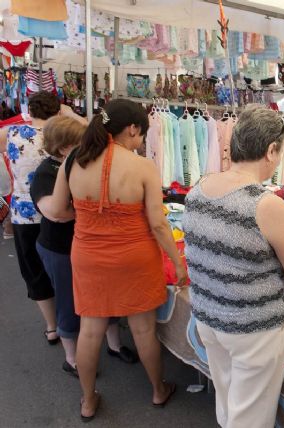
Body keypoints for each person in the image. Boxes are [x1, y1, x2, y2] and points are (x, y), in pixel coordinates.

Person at [48, 99, 187, 421]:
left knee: (90, 330)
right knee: (143, 331)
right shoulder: (143, 167)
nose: (141, 143)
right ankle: (158, 390)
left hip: (88, 256)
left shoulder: (73, 161)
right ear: (133, 129)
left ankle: (87, 400)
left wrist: (88, 218)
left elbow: (56, 211)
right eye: (142, 136)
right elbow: (157, 223)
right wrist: (177, 263)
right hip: (136, 257)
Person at [183, 104, 284, 428]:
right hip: (252, 329)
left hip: (210, 317)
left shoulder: (199, 189)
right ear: (271, 150)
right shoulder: (266, 205)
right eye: (281, 151)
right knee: (250, 419)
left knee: (229, 403)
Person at [31, 116, 138, 378]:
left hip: (92, 245)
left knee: (107, 296)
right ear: (64, 148)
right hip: (60, 249)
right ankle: (72, 358)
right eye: (80, 142)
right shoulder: (46, 173)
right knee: (69, 302)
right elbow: (54, 213)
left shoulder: (81, 164)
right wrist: (90, 210)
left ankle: (114, 345)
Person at [0, 91, 70, 346]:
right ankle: (69, 321)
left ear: (30, 110)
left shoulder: (12, 134)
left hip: (23, 213)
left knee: (34, 271)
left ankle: (52, 327)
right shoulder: (61, 137)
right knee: (63, 270)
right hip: (58, 210)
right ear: (57, 111)